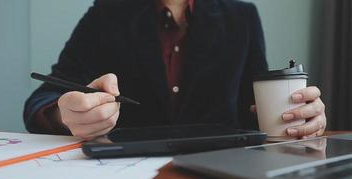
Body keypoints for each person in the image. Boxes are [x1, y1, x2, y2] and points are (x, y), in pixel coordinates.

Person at [24, 0, 326, 140]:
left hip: (223, 173)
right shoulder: (106, 14)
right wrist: (65, 114)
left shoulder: (242, 16)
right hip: (124, 176)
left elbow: (257, 108)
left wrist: (301, 115)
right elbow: (42, 98)